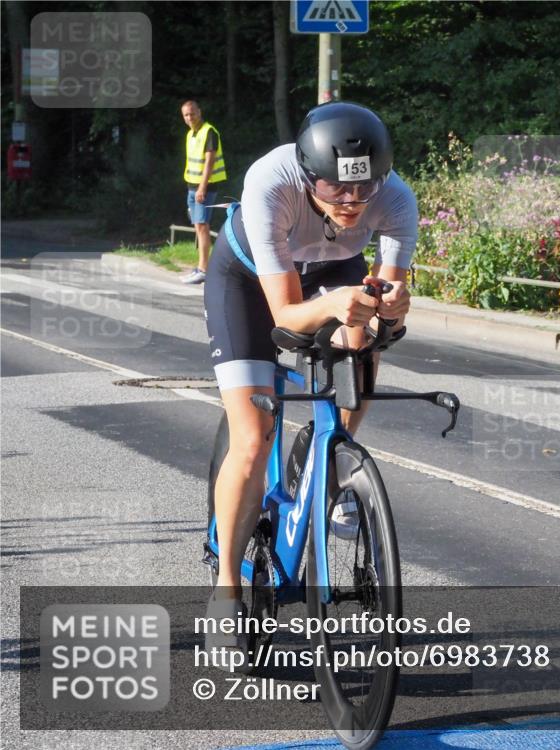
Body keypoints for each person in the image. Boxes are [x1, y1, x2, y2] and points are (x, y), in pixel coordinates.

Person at [203, 102, 416, 642]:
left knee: (364, 343)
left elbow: (383, 294)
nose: (351, 202)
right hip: (250, 281)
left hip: (331, 269)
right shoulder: (270, 183)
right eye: (335, 188)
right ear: (306, 173)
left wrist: (388, 305)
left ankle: (336, 463)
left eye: (364, 188)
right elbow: (287, 316)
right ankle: (226, 589)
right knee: (252, 439)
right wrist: (338, 303)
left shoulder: (395, 199)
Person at [181, 100, 227, 284]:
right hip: (192, 186)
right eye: (186, 115)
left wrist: (202, 187)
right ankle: (200, 267)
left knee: (202, 225)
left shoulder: (209, 132)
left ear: (199, 112)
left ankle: (203, 269)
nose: (190, 117)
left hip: (204, 188)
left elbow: (209, 162)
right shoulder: (191, 134)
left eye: (192, 113)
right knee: (198, 226)